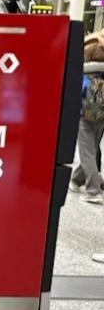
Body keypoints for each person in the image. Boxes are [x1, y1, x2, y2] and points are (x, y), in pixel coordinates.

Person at [69, 33, 104, 204]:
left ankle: (93, 191)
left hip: (85, 116)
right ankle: (77, 179)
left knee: (87, 152)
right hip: (101, 117)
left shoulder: (85, 76)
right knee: (92, 149)